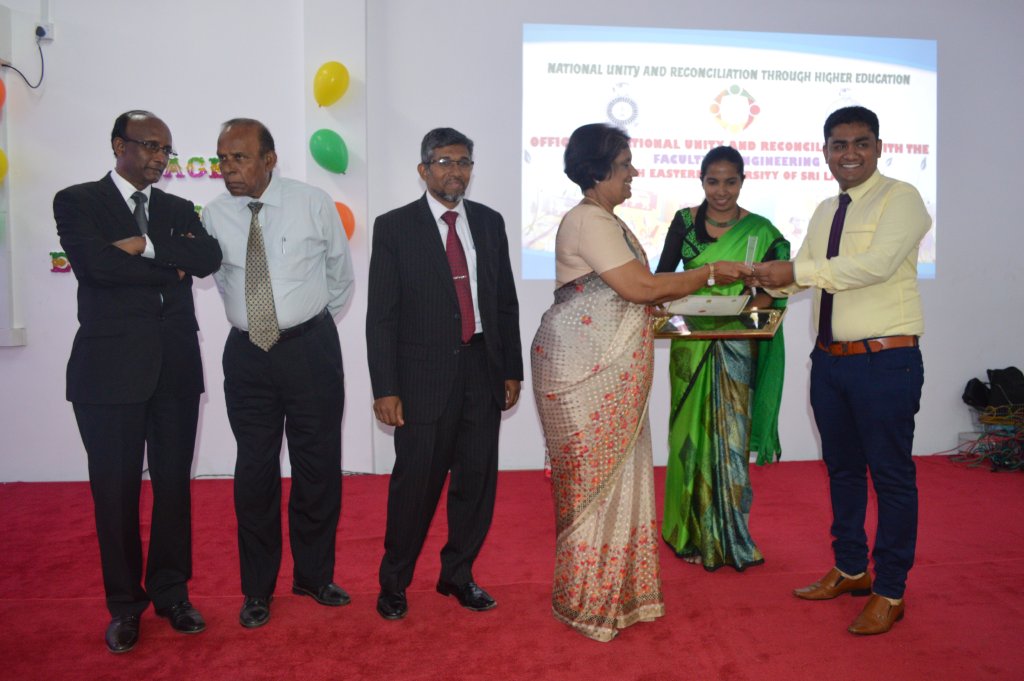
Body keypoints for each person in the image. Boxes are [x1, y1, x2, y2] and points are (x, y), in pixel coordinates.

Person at [530, 123, 751, 642]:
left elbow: (639, 297)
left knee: (618, 480)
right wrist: (710, 273)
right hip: (583, 373)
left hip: (611, 371)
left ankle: (620, 594)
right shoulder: (588, 219)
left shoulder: (608, 220)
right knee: (591, 487)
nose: (634, 173)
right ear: (598, 169)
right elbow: (639, 287)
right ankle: (587, 602)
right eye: (625, 164)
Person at [750, 105, 930, 635]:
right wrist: (758, 283)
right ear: (825, 151)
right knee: (843, 470)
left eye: (861, 143)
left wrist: (792, 271)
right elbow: (801, 276)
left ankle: (890, 589)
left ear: (879, 148)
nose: (850, 154)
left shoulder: (901, 198)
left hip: (885, 360)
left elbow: (873, 265)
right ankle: (851, 568)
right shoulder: (826, 209)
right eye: (839, 144)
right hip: (830, 361)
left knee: (891, 478)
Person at [54, 110, 222, 653]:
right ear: (117, 145)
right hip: (107, 374)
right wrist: (169, 264)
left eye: (166, 149)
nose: (159, 157)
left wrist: (145, 246)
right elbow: (96, 267)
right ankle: (125, 605)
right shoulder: (78, 201)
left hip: (175, 369)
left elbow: (207, 258)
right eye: (149, 145)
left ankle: (173, 594)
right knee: (115, 493)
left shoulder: (178, 208)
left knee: (174, 489)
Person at [202, 118, 355, 629]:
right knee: (255, 471)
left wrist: (305, 323)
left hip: (310, 350)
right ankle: (257, 589)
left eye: (240, 158)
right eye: (222, 159)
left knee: (317, 467)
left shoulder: (312, 203)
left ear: (269, 160)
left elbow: (340, 275)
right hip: (247, 357)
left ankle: (314, 576)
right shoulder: (214, 214)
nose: (228, 168)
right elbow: (219, 278)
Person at [367, 127, 523, 621]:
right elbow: (381, 316)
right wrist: (386, 388)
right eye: (444, 162)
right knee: (415, 487)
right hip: (421, 380)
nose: (455, 171)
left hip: (482, 369)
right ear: (423, 169)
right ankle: (394, 582)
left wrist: (511, 369)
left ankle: (458, 575)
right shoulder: (394, 227)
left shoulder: (490, 222)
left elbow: (504, 302)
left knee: (475, 484)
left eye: (464, 162)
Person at [655, 146, 790, 571]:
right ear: (701, 181)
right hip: (691, 342)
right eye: (713, 181)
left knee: (731, 440)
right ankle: (686, 532)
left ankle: (729, 534)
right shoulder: (684, 223)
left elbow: (774, 288)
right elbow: (663, 277)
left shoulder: (762, 231)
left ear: (742, 182)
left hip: (736, 342)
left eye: (730, 181)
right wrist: (697, 291)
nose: (721, 191)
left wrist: (745, 309)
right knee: (687, 437)